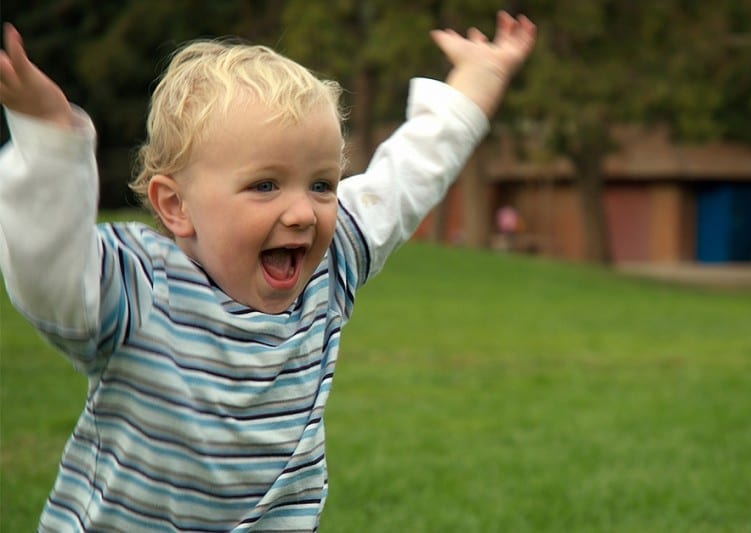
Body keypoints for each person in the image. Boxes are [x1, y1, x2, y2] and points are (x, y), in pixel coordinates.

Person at [0, 11, 535, 532]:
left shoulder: (327, 267)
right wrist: (48, 141)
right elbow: (50, 275)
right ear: (176, 206)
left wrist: (477, 78)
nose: (303, 212)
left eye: (322, 184)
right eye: (264, 186)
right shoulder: (141, 288)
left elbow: (410, 174)